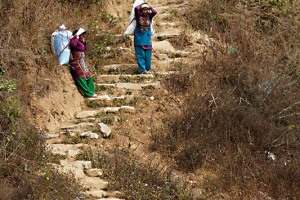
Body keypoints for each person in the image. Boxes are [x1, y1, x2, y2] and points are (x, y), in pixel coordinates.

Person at [69, 28, 97, 98]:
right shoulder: (74, 40)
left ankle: (91, 91)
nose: (83, 37)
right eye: (82, 36)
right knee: (80, 76)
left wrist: (83, 42)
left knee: (89, 76)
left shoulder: (81, 42)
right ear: (78, 35)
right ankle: (88, 93)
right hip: (76, 62)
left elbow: (84, 49)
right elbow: (73, 45)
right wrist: (76, 37)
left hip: (82, 62)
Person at [134, 3, 157, 74]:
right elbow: (136, 8)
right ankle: (142, 70)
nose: (145, 11)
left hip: (147, 39)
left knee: (148, 56)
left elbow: (155, 12)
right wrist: (142, 4)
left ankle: (147, 69)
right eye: (143, 10)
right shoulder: (138, 16)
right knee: (140, 55)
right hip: (139, 39)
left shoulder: (149, 16)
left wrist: (149, 7)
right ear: (141, 10)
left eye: (146, 10)